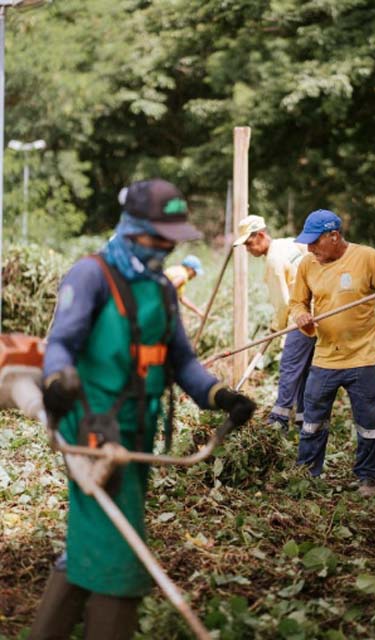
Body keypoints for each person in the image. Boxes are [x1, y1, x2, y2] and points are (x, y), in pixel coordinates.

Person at [31, 179, 256, 639]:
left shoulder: (161, 290)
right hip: (91, 432)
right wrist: (56, 384)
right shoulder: (91, 275)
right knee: (122, 550)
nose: (166, 248)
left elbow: (184, 363)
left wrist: (220, 396)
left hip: (138, 431)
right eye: (161, 237)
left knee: (93, 535)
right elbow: (61, 346)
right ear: (133, 229)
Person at [288, 209, 375, 497]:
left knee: (368, 425)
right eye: (307, 243)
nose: (310, 249)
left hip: (363, 358)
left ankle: (367, 478)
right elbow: (297, 303)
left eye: (315, 242)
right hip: (325, 358)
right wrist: (301, 316)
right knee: (312, 421)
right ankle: (308, 474)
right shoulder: (307, 265)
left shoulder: (366, 257)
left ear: (334, 236)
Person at [234, 214, 312, 430]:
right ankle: (303, 419)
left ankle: (279, 420)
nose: (248, 250)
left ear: (260, 235)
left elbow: (283, 303)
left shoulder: (273, 261)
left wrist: (278, 328)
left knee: (289, 365)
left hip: (300, 316)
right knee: (304, 368)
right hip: (316, 310)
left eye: (249, 244)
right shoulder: (288, 243)